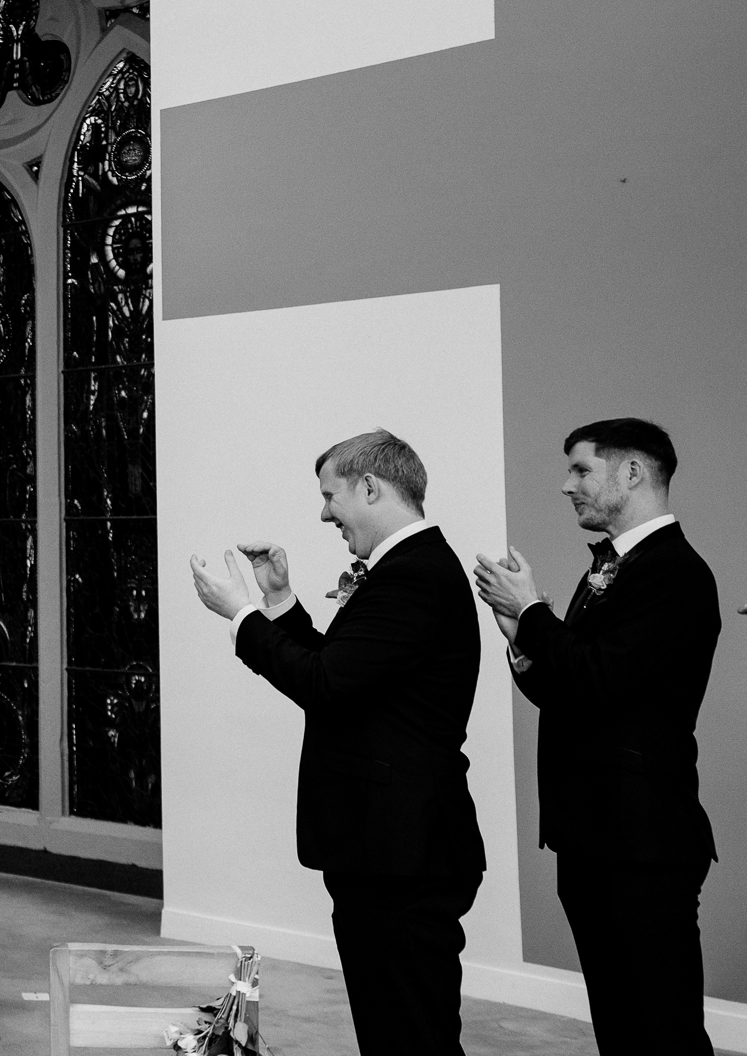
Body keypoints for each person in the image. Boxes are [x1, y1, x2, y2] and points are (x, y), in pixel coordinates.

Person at [189, 430, 484, 1056]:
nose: (325, 513)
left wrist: (239, 616)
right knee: (392, 1030)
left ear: (370, 487)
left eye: (331, 496)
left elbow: (325, 685)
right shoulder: (409, 569)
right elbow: (347, 670)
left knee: (411, 1036)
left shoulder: (414, 576)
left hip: (402, 852)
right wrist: (279, 601)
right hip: (388, 847)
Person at [472, 418, 719, 1056]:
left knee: (660, 1029)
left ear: (632, 472)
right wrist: (522, 644)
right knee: (618, 1024)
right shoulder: (611, 567)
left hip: (642, 841)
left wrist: (532, 613)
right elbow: (576, 689)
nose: (566, 486)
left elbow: (603, 674)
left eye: (581, 470)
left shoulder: (676, 573)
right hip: (592, 834)